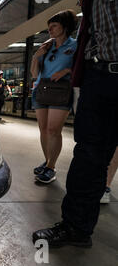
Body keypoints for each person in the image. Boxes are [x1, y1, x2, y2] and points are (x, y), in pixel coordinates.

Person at [33, 0, 118, 248]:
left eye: (54, 25)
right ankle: (76, 227)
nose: (50, 29)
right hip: (98, 74)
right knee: (88, 154)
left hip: (74, 87)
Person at [30, 10, 78, 184]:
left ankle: (51, 167)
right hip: (41, 89)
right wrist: (37, 56)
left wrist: (66, 70)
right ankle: (48, 161)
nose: (49, 29)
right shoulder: (47, 47)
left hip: (61, 90)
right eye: (49, 26)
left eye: (54, 25)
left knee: (53, 130)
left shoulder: (75, 46)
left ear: (64, 27)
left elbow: (83, 68)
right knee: (43, 129)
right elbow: (35, 74)